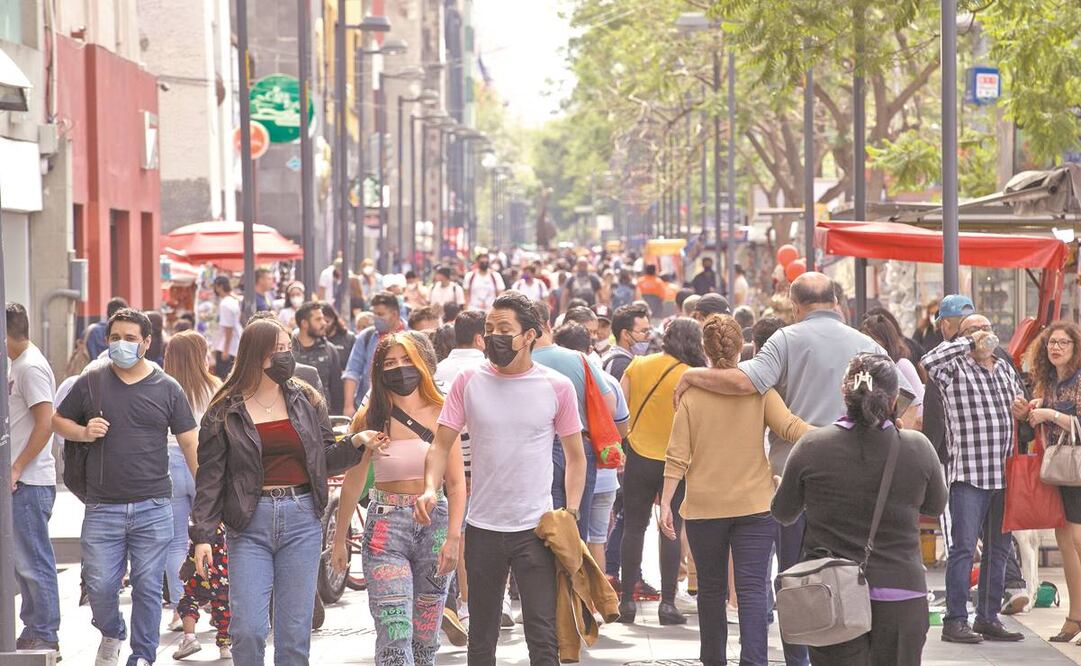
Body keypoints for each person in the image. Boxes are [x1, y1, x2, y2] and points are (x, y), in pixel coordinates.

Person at [673, 272, 910, 666]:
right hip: (856, 475)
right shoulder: (867, 345)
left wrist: (693, 373)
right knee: (852, 567)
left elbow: (746, 383)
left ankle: (798, 658)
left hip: (793, 476)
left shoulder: (785, 339)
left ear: (796, 306)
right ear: (836, 302)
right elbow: (900, 397)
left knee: (795, 575)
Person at [415, 291, 586, 666]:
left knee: (543, 639)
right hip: (482, 529)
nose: (493, 336)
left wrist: (571, 512)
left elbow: (576, 457)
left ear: (530, 335)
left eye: (504, 329)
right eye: (489, 328)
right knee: (480, 641)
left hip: (536, 530)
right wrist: (429, 488)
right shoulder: (468, 382)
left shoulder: (557, 386)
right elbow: (440, 445)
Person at [189, 317, 367, 665]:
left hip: (302, 517)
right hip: (249, 522)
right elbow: (210, 478)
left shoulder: (306, 398)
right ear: (255, 354)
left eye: (288, 348)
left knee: (294, 633)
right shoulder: (224, 409)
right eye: (278, 350)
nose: (286, 356)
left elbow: (324, 459)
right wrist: (202, 535)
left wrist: (355, 443)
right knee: (248, 629)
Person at [773, 353, 948, 665]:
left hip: (831, 594)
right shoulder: (917, 447)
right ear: (894, 400)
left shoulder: (812, 446)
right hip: (901, 591)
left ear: (845, 394)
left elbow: (783, 512)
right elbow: (935, 505)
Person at [660, 314, 810, 666]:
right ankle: (754, 660)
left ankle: (713, 660)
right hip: (755, 505)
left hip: (704, 507)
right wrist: (840, 433)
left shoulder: (691, 394)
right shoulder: (760, 391)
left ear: (705, 349)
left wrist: (666, 502)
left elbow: (677, 454)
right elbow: (791, 428)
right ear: (742, 348)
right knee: (752, 589)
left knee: (710, 591)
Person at [52, 308, 199, 666]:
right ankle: (112, 631)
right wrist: (83, 432)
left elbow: (190, 442)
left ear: (146, 343)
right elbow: (57, 420)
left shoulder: (167, 387)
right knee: (100, 584)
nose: (121, 344)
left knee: (148, 587)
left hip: (154, 505)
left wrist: (207, 496)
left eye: (130, 338)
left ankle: (143, 655)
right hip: (103, 506)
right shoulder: (92, 380)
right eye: (115, 337)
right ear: (107, 339)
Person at [331, 333, 467, 664]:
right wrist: (339, 539)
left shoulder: (443, 411)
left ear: (421, 363)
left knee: (425, 639)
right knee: (395, 632)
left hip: (435, 527)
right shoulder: (371, 417)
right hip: (385, 528)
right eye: (390, 363)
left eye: (406, 360)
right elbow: (354, 480)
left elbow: (455, 483)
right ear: (379, 371)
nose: (400, 369)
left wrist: (453, 537)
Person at [922, 313, 1027, 643]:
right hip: (969, 474)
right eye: (973, 329)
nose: (983, 334)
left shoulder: (1004, 367)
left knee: (999, 550)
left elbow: (1019, 405)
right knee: (964, 549)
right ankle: (955, 620)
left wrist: (1023, 411)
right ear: (960, 337)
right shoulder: (953, 368)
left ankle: (987, 617)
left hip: (1004, 475)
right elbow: (928, 361)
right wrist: (969, 341)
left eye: (986, 329)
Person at [619, 317, 708, 626]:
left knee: (633, 527)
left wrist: (628, 439)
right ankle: (668, 604)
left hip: (639, 455)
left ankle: (626, 602)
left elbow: (620, 409)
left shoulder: (638, 365)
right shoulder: (693, 374)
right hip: (677, 461)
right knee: (670, 526)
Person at [532, 301, 617, 541]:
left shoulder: (519, 363)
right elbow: (610, 405)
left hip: (539, 447)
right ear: (548, 325)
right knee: (576, 527)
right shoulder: (579, 359)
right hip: (580, 445)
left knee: (543, 525)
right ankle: (574, 563)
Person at [6, 303, 61, 657]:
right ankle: (34, 628)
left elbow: (46, 423)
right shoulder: (19, 364)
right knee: (23, 560)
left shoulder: (30, 367)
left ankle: (44, 631)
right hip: (21, 481)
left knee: (33, 560)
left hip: (29, 482)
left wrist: (17, 467)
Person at [1022, 323, 1081, 641]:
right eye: (1052, 343)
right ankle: (1075, 617)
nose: (1056, 348)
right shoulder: (1048, 382)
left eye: (1063, 343)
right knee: (1066, 542)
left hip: (1077, 468)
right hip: (1060, 470)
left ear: (1075, 347)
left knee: (1078, 541)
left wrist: (1050, 415)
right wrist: (1030, 411)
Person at [161, 331, 220, 634]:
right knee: (212, 537)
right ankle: (218, 604)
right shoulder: (215, 387)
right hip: (206, 464)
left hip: (169, 463)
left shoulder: (161, 386)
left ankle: (181, 609)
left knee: (174, 543)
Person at [343, 292, 407, 413]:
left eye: (380, 314)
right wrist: (348, 406)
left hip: (402, 407)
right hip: (369, 408)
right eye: (374, 314)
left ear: (394, 314)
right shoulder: (366, 337)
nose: (376, 318)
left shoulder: (411, 336)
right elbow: (352, 371)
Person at [861, 313, 925, 426]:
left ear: (886, 342)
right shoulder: (866, 372)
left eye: (873, 341)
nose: (868, 347)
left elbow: (916, 411)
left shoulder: (901, 366)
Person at [291, 301, 344, 415]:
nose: (324, 323)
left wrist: (337, 417)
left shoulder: (330, 350)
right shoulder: (288, 350)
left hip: (323, 416)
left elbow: (336, 389)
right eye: (318, 319)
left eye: (323, 319)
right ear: (304, 323)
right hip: (294, 414)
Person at [603, 304, 652, 380]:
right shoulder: (621, 366)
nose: (649, 336)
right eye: (644, 331)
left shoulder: (618, 359)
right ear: (625, 334)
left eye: (649, 331)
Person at [211, 275, 242, 379]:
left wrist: (225, 350)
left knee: (223, 378)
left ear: (219, 287)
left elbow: (229, 328)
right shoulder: (233, 300)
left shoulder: (225, 304)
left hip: (227, 347)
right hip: (233, 345)